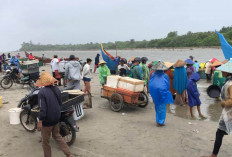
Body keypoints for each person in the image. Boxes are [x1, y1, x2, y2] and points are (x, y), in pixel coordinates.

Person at [35, 71, 72, 157]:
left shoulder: (42, 92)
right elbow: (60, 103)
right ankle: (68, 154)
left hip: (47, 120)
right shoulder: (56, 89)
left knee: (45, 141)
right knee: (57, 136)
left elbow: (43, 109)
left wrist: (40, 121)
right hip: (56, 117)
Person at [203, 62, 232, 157]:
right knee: (220, 132)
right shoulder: (227, 81)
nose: (222, 71)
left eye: (224, 70)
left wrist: (224, 103)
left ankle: (213, 155)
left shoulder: (230, 83)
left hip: (229, 112)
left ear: (228, 72)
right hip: (227, 112)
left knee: (220, 132)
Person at [149, 61, 174, 127]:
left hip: (155, 93)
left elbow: (150, 83)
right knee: (162, 107)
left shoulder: (153, 75)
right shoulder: (165, 75)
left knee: (157, 106)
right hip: (162, 93)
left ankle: (158, 120)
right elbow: (167, 85)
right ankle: (160, 122)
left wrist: (152, 93)